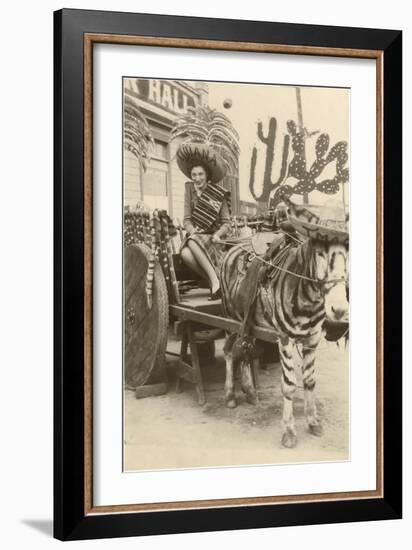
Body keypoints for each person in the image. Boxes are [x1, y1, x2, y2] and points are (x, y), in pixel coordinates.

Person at [176, 143, 232, 300]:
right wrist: (192, 230)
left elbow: (226, 223)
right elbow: (187, 220)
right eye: (194, 175)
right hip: (197, 236)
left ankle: (215, 283)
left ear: (207, 175)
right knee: (185, 253)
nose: (197, 178)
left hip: (215, 240)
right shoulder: (189, 190)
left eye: (200, 174)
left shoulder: (217, 193)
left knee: (191, 242)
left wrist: (218, 235)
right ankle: (215, 282)